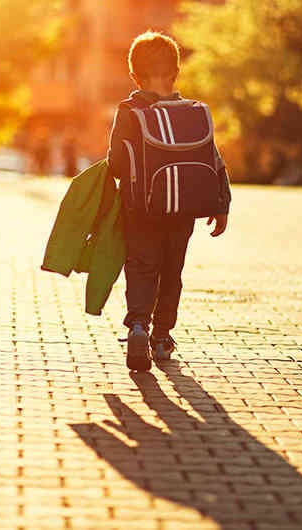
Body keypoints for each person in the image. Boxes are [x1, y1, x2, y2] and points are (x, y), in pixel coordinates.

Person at [107, 31, 232, 370]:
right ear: (176, 73)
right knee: (171, 270)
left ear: (134, 76)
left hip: (140, 207)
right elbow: (214, 159)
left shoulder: (130, 110)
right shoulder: (195, 113)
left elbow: (117, 163)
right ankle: (162, 336)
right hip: (184, 209)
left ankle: (137, 326)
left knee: (141, 266)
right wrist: (221, 204)